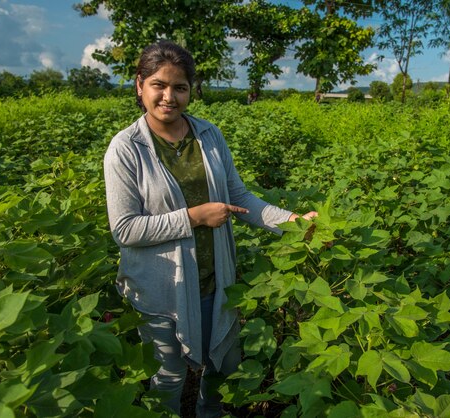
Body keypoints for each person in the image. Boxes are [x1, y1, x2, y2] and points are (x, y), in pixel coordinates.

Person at [103, 40, 316, 418]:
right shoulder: (125, 149)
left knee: (221, 366)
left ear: (190, 90)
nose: (169, 96)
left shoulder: (208, 135)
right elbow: (125, 229)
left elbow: (239, 197)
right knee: (168, 377)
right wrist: (194, 217)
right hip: (160, 288)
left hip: (215, 278)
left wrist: (294, 224)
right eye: (159, 85)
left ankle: (210, 413)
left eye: (180, 87)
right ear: (140, 85)